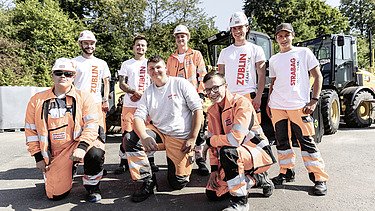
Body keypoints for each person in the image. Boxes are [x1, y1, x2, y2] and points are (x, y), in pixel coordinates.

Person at [25, 58, 105, 202]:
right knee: (55, 195)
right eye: (59, 73)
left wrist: (82, 146)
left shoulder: (84, 97)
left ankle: (92, 186)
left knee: (95, 153)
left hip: (78, 143)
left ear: (74, 77)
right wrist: (38, 157)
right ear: (52, 75)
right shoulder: (36, 100)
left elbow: (92, 124)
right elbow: (31, 132)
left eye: (68, 74)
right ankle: (67, 170)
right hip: (55, 152)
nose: (63, 76)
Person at [125, 55, 204, 203]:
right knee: (130, 139)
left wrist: (193, 137)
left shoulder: (180, 83)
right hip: (160, 132)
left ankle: (179, 162)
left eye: (158, 67)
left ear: (166, 68)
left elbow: (197, 110)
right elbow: (138, 117)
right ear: (148, 72)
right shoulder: (148, 92)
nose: (155, 71)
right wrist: (144, 136)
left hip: (181, 136)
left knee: (177, 183)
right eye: (151, 68)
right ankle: (147, 180)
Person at [267, 23, 329, 196]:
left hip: (299, 106)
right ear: (276, 38)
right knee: (281, 142)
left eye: (286, 35)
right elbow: (273, 83)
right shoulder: (274, 59)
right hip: (277, 105)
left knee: (307, 143)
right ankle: (286, 172)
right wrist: (269, 103)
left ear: (292, 36)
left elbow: (318, 76)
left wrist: (314, 100)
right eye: (280, 36)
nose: (283, 39)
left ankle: (319, 178)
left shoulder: (304, 53)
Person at [203, 71, 275, 211]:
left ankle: (240, 203)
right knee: (213, 194)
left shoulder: (241, 103)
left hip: (258, 153)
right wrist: (213, 170)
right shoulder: (212, 111)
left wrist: (210, 141)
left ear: (226, 86)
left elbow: (235, 139)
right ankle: (256, 179)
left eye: (215, 88)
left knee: (228, 152)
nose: (212, 93)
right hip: (235, 155)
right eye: (207, 90)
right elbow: (213, 145)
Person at [166, 24, 209, 176]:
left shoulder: (195, 54)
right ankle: (182, 159)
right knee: (181, 128)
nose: (180, 39)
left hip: (194, 96)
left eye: (183, 36)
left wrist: (202, 93)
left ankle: (200, 159)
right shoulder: (170, 59)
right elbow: (167, 80)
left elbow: (202, 75)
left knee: (200, 128)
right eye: (178, 36)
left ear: (187, 37)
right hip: (176, 100)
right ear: (175, 39)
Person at [114, 35, 158, 174]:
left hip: (146, 106)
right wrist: (133, 92)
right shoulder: (127, 64)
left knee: (147, 133)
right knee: (127, 134)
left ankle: (150, 161)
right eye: (138, 45)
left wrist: (145, 96)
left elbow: (155, 83)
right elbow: (122, 83)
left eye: (143, 45)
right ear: (133, 47)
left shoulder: (150, 64)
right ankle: (123, 161)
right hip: (129, 105)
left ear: (146, 48)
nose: (140, 47)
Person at [217, 11, 266, 123]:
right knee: (232, 133)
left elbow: (262, 75)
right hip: (230, 97)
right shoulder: (224, 52)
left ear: (247, 28)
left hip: (249, 97)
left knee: (253, 134)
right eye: (234, 28)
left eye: (240, 27)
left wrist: (258, 96)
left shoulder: (256, 49)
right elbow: (220, 77)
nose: (237, 31)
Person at [73, 30, 111, 135]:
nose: (89, 46)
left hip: (96, 103)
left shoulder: (101, 63)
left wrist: (105, 100)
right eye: (86, 43)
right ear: (80, 44)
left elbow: (106, 82)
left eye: (92, 43)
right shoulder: (73, 62)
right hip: (79, 102)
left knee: (99, 131)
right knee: (79, 132)